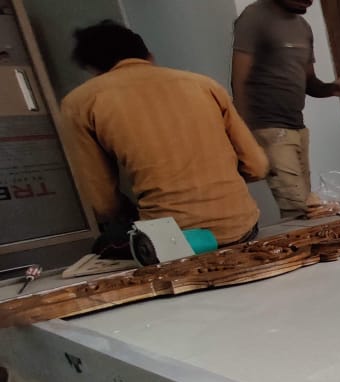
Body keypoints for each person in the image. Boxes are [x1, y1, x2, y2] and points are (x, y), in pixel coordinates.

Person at [58, 21, 269, 248]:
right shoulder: (203, 85)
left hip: (171, 242)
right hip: (241, 229)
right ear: (148, 56)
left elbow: (102, 204)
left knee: (106, 243)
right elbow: (257, 166)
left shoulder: (80, 102)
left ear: (94, 70)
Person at [232, 0, 340, 218]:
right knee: (297, 208)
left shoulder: (303, 27)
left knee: (308, 206)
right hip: (269, 129)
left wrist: (332, 88)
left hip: (298, 128)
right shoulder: (254, 16)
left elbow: (310, 82)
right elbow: (239, 79)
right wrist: (243, 134)